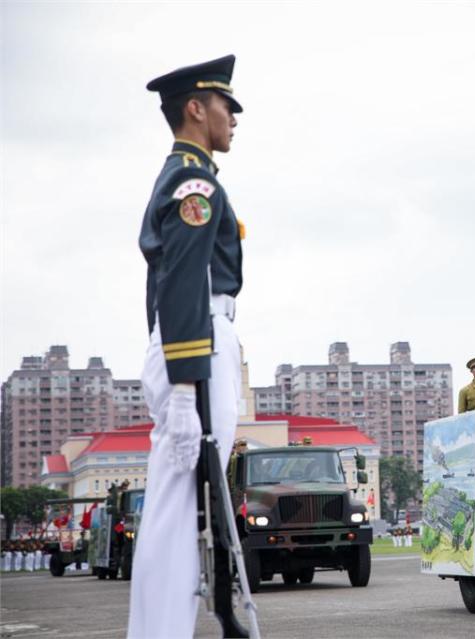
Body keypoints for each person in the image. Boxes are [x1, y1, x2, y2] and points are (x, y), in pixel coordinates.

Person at [128, 55, 246, 639]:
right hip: (196, 342)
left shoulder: (189, 176)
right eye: (227, 105)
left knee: (184, 503)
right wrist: (183, 386)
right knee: (178, 507)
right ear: (196, 109)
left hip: (190, 342)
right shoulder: (191, 181)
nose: (235, 118)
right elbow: (183, 281)